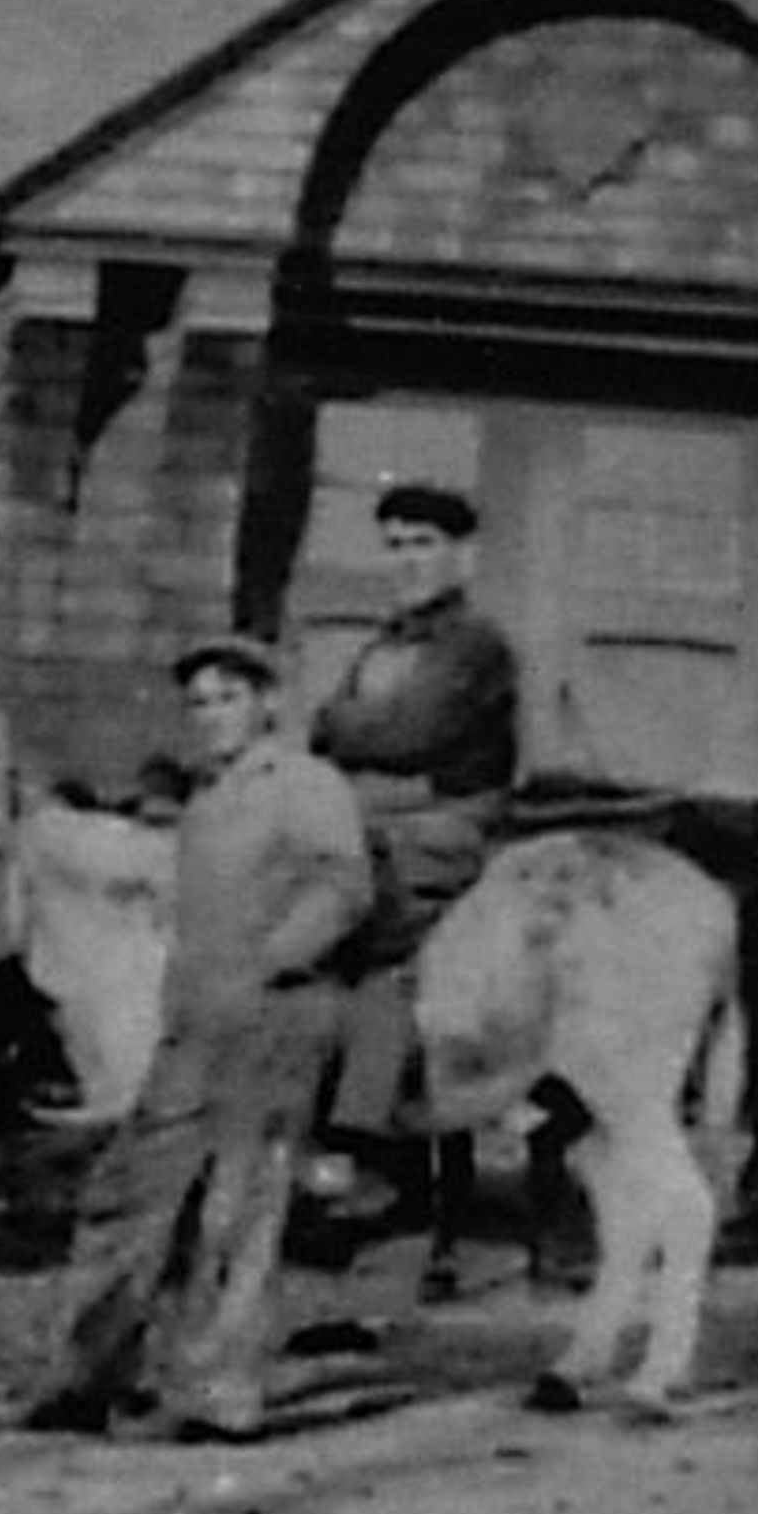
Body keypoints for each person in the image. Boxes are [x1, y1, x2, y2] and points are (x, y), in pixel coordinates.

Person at [18, 635, 373, 1444]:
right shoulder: (208, 804)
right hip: (195, 1027)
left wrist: (272, 962)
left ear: (268, 704)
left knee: (239, 1205)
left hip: (275, 1017)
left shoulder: (305, 783)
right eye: (201, 702)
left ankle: (221, 1393)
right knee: (126, 1193)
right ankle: (81, 1380)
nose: (213, 715)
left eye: (230, 698)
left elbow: (342, 885)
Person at [303, 479, 520, 1162]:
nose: (406, 560)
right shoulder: (379, 646)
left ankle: (360, 1129)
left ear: (463, 556)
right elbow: (323, 729)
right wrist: (354, 731)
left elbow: (408, 733)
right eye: (394, 546)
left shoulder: (475, 645)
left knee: (379, 932)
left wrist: (352, 730)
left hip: (451, 828)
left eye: (423, 544)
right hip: (379, 819)